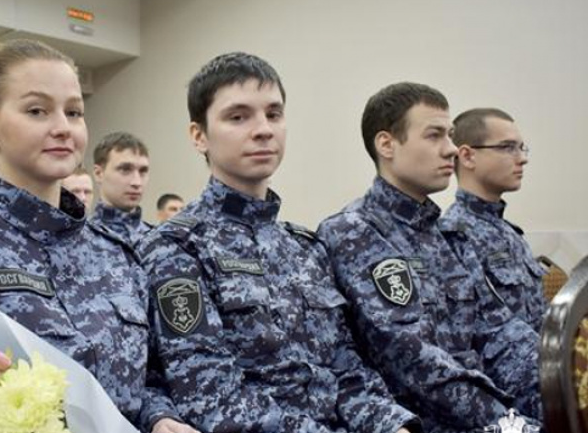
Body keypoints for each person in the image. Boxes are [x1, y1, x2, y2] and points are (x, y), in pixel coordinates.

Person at [0, 39, 194, 433]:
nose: (62, 127)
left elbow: (149, 376)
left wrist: (159, 417)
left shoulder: (116, 254)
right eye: (37, 110)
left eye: (74, 112)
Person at [137, 52, 418, 433]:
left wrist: (389, 423)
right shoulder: (177, 246)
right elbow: (211, 395)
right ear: (199, 136)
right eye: (238, 117)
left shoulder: (305, 247)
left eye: (273, 114)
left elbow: (346, 368)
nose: (263, 129)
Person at [317, 82, 542, 431]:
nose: (451, 149)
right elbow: (413, 359)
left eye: (450, 135)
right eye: (435, 135)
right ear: (387, 144)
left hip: (488, 410)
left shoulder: (448, 236)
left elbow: (500, 334)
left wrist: (558, 385)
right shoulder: (354, 232)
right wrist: (509, 424)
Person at [440, 108, 546, 332]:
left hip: (541, 361)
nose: (523, 159)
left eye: (521, 148)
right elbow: (472, 334)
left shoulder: (510, 233)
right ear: (467, 156)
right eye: (507, 147)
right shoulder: (454, 236)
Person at [91, 131, 152, 244]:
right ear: (99, 173)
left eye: (143, 171)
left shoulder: (159, 241)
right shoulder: (77, 240)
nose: (136, 182)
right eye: (125, 169)